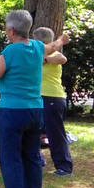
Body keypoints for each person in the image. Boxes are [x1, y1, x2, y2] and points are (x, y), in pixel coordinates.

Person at [0, 10, 70, 188]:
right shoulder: (38, 47)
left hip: (12, 111)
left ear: (11, 31)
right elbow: (53, 46)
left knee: (11, 158)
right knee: (32, 156)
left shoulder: (10, 50)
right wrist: (62, 40)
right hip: (35, 110)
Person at [32, 26, 73, 176]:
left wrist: (47, 59)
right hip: (37, 97)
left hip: (52, 97)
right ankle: (37, 159)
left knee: (55, 133)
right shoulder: (35, 54)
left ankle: (64, 167)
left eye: (35, 40)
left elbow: (62, 59)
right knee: (32, 130)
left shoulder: (54, 54)